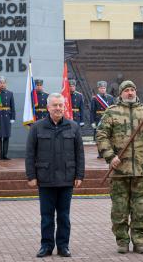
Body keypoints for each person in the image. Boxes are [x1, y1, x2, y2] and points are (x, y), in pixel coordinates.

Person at [96, 80, 143, 254]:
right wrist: (109, 156)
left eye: (132, 90)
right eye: (126, 90)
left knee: (141, 209)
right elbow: (101, 135)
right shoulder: (111, 112)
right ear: (121, 93)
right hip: (119, 171)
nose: (130, 93)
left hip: (140, 171)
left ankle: (139, 241)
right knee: (119, 209)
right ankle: (122, 241)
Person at [25, 93, 85, 258]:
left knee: (64, 216)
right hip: (46, 179)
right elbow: (30, 154)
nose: (58, 108)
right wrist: (31, 176)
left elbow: (80, 153)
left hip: (67, 178)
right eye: (54, 105)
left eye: (60, 105)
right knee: (46, 216)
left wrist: (80, 175)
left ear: (64, 106)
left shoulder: (73, 127)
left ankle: (63, 246)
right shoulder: (37, 127)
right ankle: (46, 246)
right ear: (48, 107)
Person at [90, 81, 114, 158]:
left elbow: (113, 109)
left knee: (109, 136)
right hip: (98, 120)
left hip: (108, 120)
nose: (103, 89)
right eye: (101, 88)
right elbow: (92, 111)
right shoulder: (95, 98)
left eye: (104, 88)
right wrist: (92, 122)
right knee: (99, 137)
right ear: (98, 89)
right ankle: (100, 153)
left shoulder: (110, 98)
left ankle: (108, 152)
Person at [0, 76, 15, 160]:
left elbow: (12, 106)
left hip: (7, 117)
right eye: (0, 83)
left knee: (6, 136)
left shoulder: (10, 93)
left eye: (3, 83)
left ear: (6, 84)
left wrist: (12, 117)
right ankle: (0, 155)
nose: (2, 84)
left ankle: (5, 154)